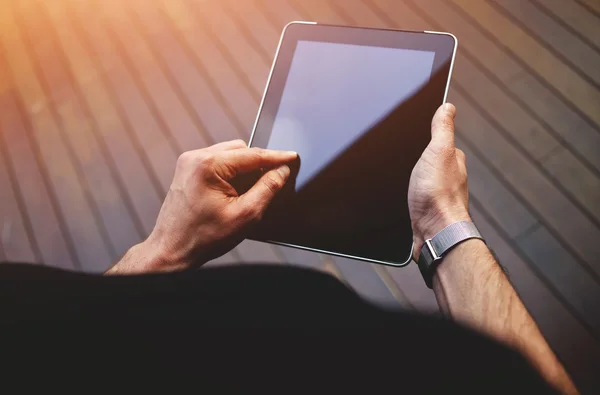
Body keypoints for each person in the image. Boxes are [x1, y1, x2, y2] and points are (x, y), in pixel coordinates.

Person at [0, 104, 576, 394]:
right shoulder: (316, 343)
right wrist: (442, 220)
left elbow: (73, 338)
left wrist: (160, 253)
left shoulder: (29, 338)